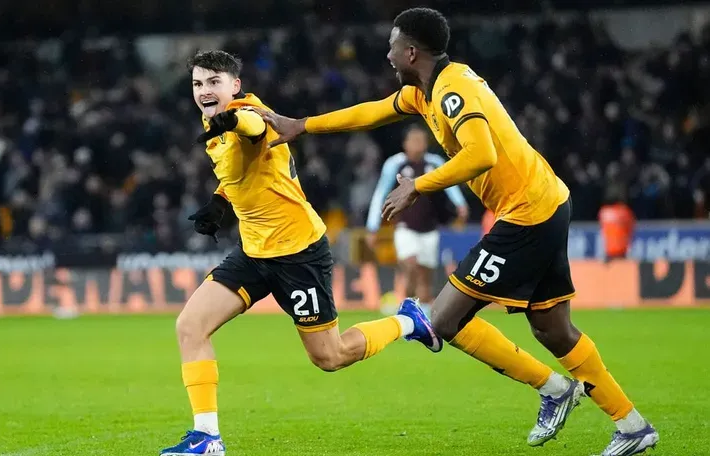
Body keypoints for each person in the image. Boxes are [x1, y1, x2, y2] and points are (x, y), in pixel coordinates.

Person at [256, 8, 658, 456]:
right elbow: (371, 113)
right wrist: (303, 126)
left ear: (411, 52)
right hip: (545, 202)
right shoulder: (423, 92)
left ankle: (554, 389)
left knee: (444, 319)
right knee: (553, 330)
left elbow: (481, 154)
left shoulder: (452, 89)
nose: (388, 55)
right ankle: (631, 425)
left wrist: (418, 186)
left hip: (527, 213)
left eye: (392, 46)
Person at [160, 50, 441, 456]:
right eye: (197, 84)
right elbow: (244, 169)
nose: (204, 91)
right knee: (190, 326)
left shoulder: (245, 113)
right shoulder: (213, 120)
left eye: (213, 83)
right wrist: (220, 201)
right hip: (253, 251)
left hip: (298, 252)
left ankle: (408, 321)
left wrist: (233, 120)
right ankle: (207, 437)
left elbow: (254, 128)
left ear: (235, 86)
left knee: (330, 356)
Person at [366, 124, 468, 314]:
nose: (418, 144)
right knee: (411, 265)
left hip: (430, 228)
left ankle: (422, 317)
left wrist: (460, 204)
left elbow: (450, 183)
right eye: (414, 140)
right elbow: (380, 193)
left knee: (425, 278)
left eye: (421, 140)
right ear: (405, 144)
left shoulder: (434, 162)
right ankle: (408, 309)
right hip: (404, 227)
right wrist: (372, 226)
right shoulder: (395, 164)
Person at [598, 186, 636, 261]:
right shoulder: (624, 211)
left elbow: (602, 231)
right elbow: (631, 229)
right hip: (621, 250)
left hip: (608, 250)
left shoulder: (604, 212)